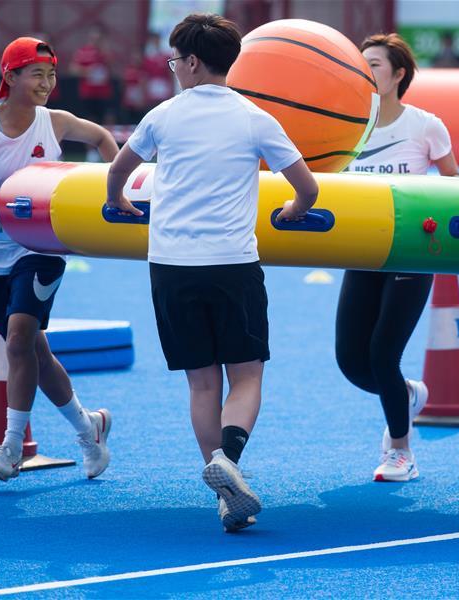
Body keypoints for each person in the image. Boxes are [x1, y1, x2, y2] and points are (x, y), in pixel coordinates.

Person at [105, 13, 318, 533]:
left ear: (193, 62)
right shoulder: (254, 117)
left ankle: (223, 490)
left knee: (202, 385)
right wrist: (291, 210)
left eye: (175, 59)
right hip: (232, 264)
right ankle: (230, 462)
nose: (174, 67)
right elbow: (307, 188)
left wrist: (119, 203)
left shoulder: (163, 115)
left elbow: (118, 171)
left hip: (171, 267)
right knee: (246, 375)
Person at [0, 37, 119, 482]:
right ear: (10, 77)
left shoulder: (55, 122)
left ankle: (9, 448)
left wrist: (116, 186)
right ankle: (89, 427)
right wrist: (6, 199)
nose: (47, 83)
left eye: (51, 74)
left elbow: (101, 136)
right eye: (37, 74)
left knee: (20, 339)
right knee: (35, 353)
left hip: (41, 248)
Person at [340, 33, 459, 483]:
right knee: (352, 363)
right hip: (363, 254)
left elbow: (454, 186)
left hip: (410, 253)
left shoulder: (426, 125)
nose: (365, 71)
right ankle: (407, 394)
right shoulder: (346, 125)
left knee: (382, 355)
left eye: (373, 64)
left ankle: (402, 451)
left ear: (398, 74)